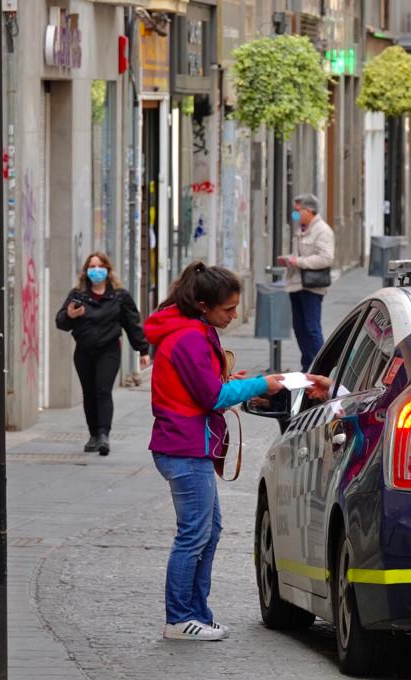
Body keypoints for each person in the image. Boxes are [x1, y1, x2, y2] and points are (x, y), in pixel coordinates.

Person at [144, 261, 330, 641]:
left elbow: (204, 387)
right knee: (195, 534)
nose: (233, 315)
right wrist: (261, 384)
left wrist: (239, 383)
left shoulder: (190, 331)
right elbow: (211, 396)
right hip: (184, 446)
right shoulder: (191, 338)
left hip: (186, 443)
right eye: (228, 309)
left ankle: (196, 613)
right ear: (202, 305)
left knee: (208, 531)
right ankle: (180, 618)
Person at [55, 252, 150, 456]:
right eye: (91, 267)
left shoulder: (119, 296)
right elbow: (61, 322)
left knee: (102, 390)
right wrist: (70, 315)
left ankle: (104, 434)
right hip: (84, 351)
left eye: (99, 266)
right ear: (86, 271)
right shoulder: (78, 295)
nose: (95, 270)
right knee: (88, 393)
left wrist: (143, 350)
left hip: (109, 350)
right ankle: (93, 435)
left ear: (107, 269)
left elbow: (132, 324)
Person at [278, 193, 334, 371]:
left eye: (297, 211)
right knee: (299, 328)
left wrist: (298, 262)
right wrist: (289, 259)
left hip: (312, 286)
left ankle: (320, 368)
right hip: (296, 284)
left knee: (311, 328)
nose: (295, 215)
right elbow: (300, 255)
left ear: (309, 210)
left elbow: (326, 258)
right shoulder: (301, 229)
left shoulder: (322, 230)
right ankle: (307, 365)